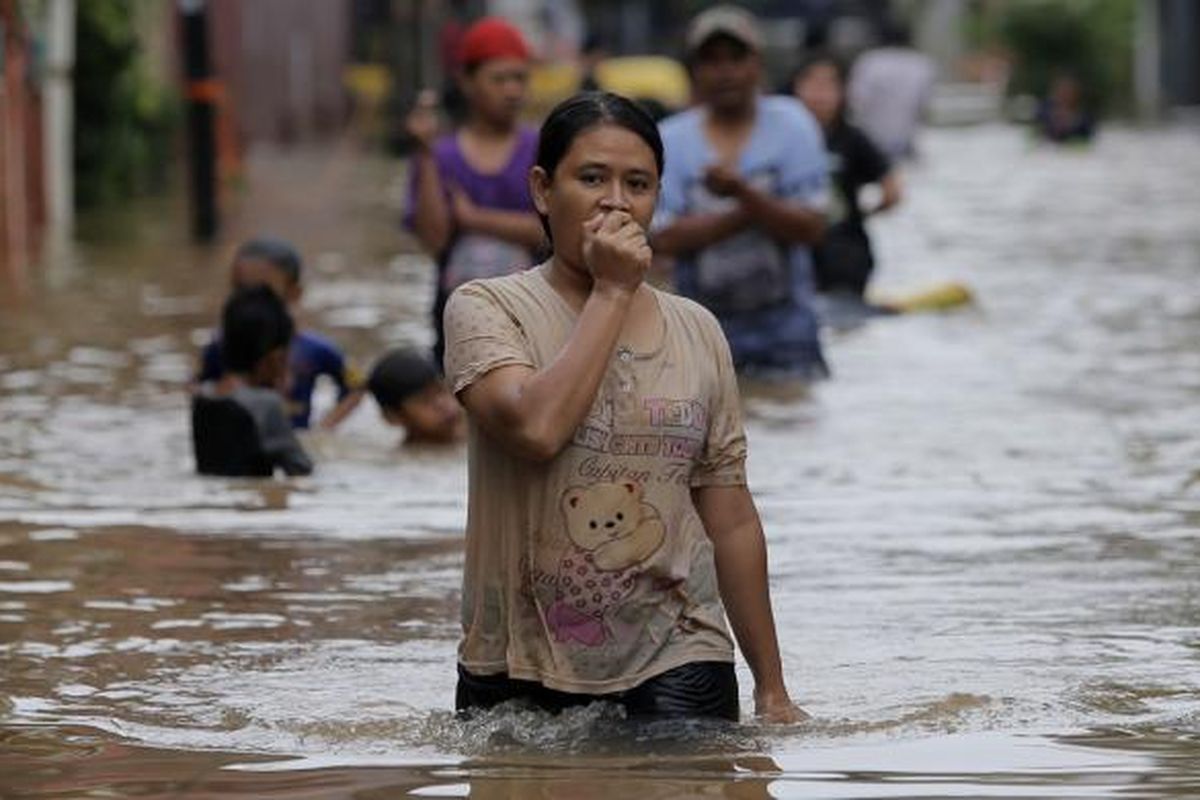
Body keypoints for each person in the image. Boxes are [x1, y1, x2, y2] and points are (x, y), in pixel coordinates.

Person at [443, 91, 805, 723]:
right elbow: (535, 428)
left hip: (679, 653)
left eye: (637, 184)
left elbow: (731, 519)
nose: (616, 200)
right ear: (541, 191)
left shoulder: (697, 330)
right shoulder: (485, 309)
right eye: (591, 179)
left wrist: (771, 688)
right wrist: (613, 290)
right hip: (515, 663)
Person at [653, 5, 830, 380]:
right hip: (700, 332)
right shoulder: (672, 139)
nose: (726, 72)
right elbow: (661, 238)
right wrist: (753, 206)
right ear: (695, 71)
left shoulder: (793, 123)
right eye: (712, 61)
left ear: (757, 64)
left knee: (793, 419)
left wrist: (742, 194)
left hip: (787, 329)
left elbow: (812, 227)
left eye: (736, 59)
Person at [404, 16, 544, 366]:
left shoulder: (542, 147)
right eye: (500, 79)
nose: (513, 90)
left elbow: (553, 233)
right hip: (455, 322)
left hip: (534, 319)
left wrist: (474, 219)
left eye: (520, 78)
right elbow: (433, 239)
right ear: (466, 82)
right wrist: (424, 151)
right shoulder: (440, 155)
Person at [197, 237, 364, 430]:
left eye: (264, 293)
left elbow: (356, 386)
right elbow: (200, 387)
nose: (250, 301)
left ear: (294, 293)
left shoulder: (315, 348)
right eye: (240, 289)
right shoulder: (221, 345)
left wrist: (324, 429)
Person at [793, 52, 900, 300]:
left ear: (843, 91)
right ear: (797, 87)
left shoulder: (853, 139)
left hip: (845, 253)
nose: (819, 94)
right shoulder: (784, 140)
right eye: (812, 84)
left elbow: (893, 191)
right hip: (798, 256)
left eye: (828, 85)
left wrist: (861, 214)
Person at [192, 286, 314, 478]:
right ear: (276, 358)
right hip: (254, 505)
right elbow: (301, 469)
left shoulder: (203, 396)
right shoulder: (267, 404)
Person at [846, 17, 936, 161]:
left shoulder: (869, 62)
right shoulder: (922, 64)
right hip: (904, 143)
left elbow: (856, 102)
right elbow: (924, 108)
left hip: (870, 143)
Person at [367, 347, 465, 444]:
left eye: (442, 391)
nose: (443, 405)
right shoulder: (400, 459)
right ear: (392, 417)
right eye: (425, 400)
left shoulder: (476, 433)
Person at [1036, 73, 1095, 144]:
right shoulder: (1044, 110)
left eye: (1069, 92)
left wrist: (1072, 122)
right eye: (1063, 90)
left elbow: (1087, 135)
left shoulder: (1083, 116)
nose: (1065, 95)